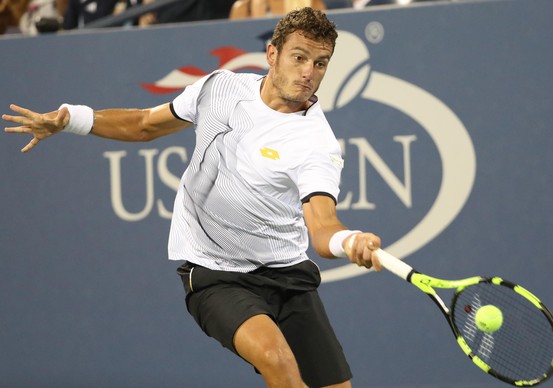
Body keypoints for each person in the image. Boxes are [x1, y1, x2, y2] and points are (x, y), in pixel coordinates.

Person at [3, 7, 382, 387]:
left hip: (287, 273)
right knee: (275, 358)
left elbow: (322, 227)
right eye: (299, 58)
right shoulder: (219, 89)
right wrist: (71, 118)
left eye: (320, 63)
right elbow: (144, 125)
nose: (308, 73)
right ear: (272, 54)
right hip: (215, 271)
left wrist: (348, 240)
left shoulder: (317, 144)